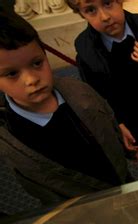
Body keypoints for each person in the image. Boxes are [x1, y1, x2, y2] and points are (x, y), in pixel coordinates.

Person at [0, 10, 130, 207]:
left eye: (37, 63)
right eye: (12, 73)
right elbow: (36, 183)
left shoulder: (78, 90)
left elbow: (104, 112)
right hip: (78, 208)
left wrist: (119, 135)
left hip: (119, 179)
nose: (32, 79)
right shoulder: (9, 138)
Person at [65, 0, 138, 162]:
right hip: (127, 114)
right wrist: (118, 122)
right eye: (91, 10)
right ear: (81, 14)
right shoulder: (86, 49)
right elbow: (96, 95)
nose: (104, 17)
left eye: (108, 3)